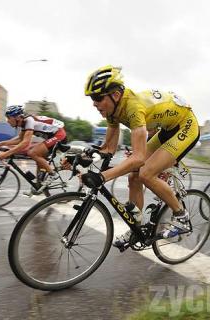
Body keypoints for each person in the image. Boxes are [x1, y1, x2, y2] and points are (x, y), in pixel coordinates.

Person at [82, 65, 200, 247]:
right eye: (92, 99)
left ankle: (181, 216)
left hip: (186, 125)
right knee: (134, 177)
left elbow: (138, 158)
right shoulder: (112, 110)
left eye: (97, 98)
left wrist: (102, 177)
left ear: (114, 95)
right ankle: (135, 227)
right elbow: (109, 148)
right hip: (167, 128)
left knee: (146, 173)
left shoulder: (133, 109)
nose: (94, 104)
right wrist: (84, 157)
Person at [0, 105, 67, 193]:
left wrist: (6, 154)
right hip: (52, 136)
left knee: (33, 153)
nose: (8, 121)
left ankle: (53, 174)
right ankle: (38, 185)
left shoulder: (29, 121)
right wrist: (1, 143)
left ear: (17, 117)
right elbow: (19, 140)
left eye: (9, 118)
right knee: (37, 156)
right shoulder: (24, 124)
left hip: (59, 135)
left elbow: (25, 143)